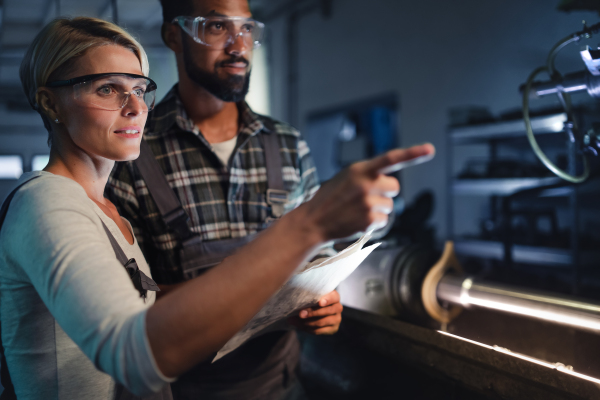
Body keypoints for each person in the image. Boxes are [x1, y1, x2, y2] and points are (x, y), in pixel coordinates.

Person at [0, 15, 433, 400]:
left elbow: (146, 308)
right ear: (49, 101)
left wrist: (280, 312)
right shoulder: (47, 204)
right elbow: (131, 353)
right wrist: (308, 225)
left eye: (139, 89)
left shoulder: (106, 212)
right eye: (107, 89)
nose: (135, 108)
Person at [104, 0, 342, 398]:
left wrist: (325, 303)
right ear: (173, 36)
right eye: (216, 27)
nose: (238, 45)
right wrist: (246, 289)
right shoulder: (131, 155)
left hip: (280, 386)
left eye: (247, 29)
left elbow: (321, 259)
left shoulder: (287, 145)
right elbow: (122, 304)